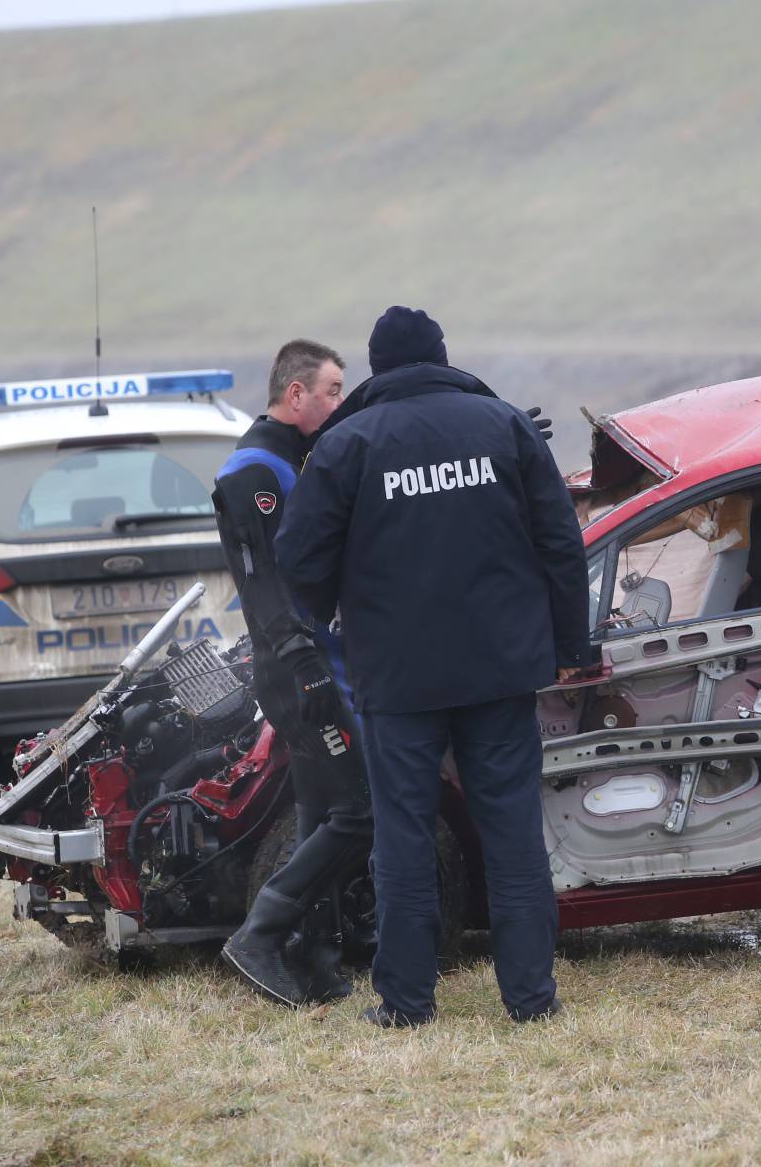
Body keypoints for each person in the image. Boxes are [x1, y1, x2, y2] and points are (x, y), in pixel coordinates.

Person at [275, 306, 595, 1027]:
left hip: (397, 676)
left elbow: (297, 557)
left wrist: (333, 610)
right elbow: (560, 543)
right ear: (443, 357)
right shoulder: (504, 426)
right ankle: (530, 998)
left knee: (404, 839)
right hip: (501, 668)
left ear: (379, 367)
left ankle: (408, 1002)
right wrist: (572, 647)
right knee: (512, 832)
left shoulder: (347, 442)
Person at [215, 339, 373, 1007]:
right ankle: (260, 934)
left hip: (316, 666)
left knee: (319, 812)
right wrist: (303, 665)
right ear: (297, 393)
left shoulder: (296, 458)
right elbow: (265, 587)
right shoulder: (255, 468)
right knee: (362, 811)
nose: (339, 401)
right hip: (299, 672)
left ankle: (317, 955)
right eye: (333, 390)